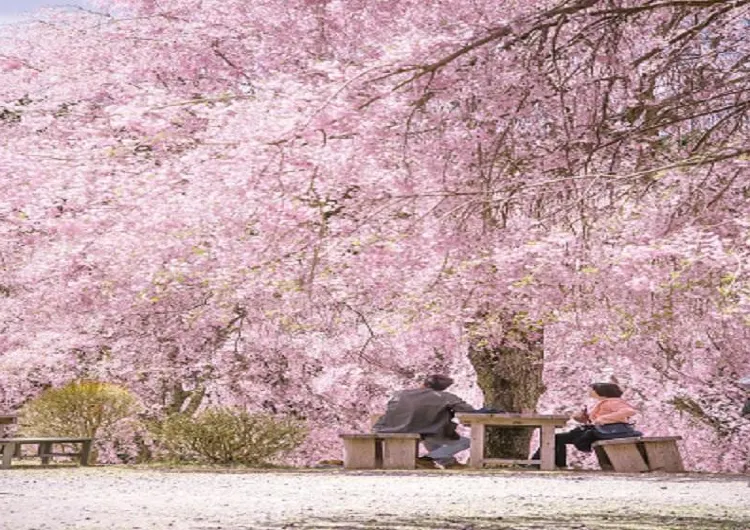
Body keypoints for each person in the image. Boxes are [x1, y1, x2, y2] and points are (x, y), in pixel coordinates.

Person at [373, 374, 476, 469]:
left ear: (424, 384)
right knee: (466, 442)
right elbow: (468, 411)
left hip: (388, 428)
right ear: (443, 388)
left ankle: (447, 462)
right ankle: (427, 459)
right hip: (421, 430)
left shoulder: (401, 394)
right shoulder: (446, 397)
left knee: (431, 437)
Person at [531, 382, 641, 468]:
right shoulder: (602, 402)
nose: (589, 391)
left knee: (556, 438)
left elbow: (629, 411)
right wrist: (581, 417)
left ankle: (542, 464)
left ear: (599, 391)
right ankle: (554, 464)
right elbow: (593, 420)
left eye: (591, 389)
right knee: (557, 438)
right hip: (599, 431)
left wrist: (602, 419)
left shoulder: (614, 401)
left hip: (608, 432)